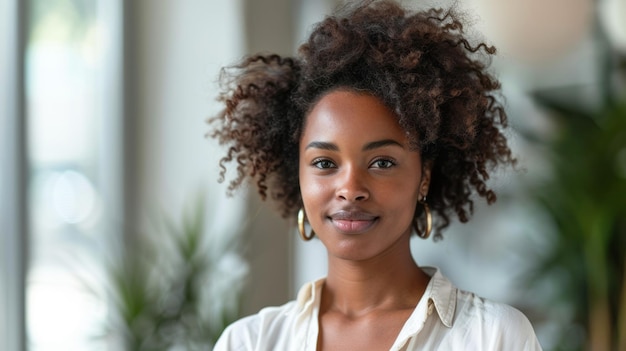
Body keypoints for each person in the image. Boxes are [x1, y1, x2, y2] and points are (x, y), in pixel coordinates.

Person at [209, 0, 542, 350]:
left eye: (382, 162)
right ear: (298, 175)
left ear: (424, 176)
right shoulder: (250, 342)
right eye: (324, 163)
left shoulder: (492, 337)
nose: (350, 189)